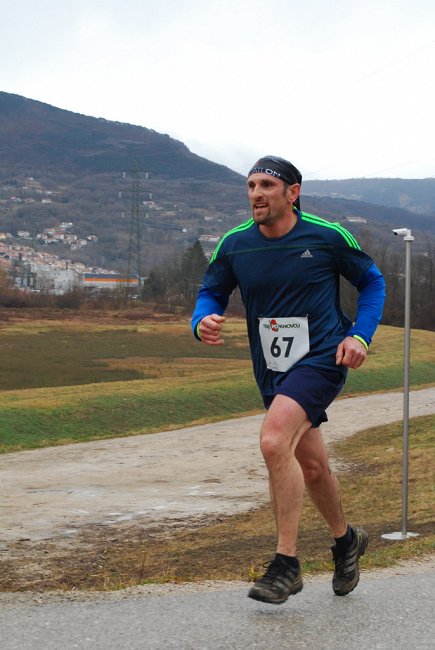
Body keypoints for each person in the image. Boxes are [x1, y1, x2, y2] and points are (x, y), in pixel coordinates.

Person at [191, 155, 386, 605]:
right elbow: (211, 290)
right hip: (272, 366)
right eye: (251, 186)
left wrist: (360, 335)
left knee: (273, 440)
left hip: (322, 357)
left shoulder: (326, 236)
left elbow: (373, 283)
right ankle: (346, 540)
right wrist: (201, 320)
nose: (256, 194)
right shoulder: (235, 244)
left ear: (292, 193)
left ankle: (286, 564)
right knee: (311, 466)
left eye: (267, 185)